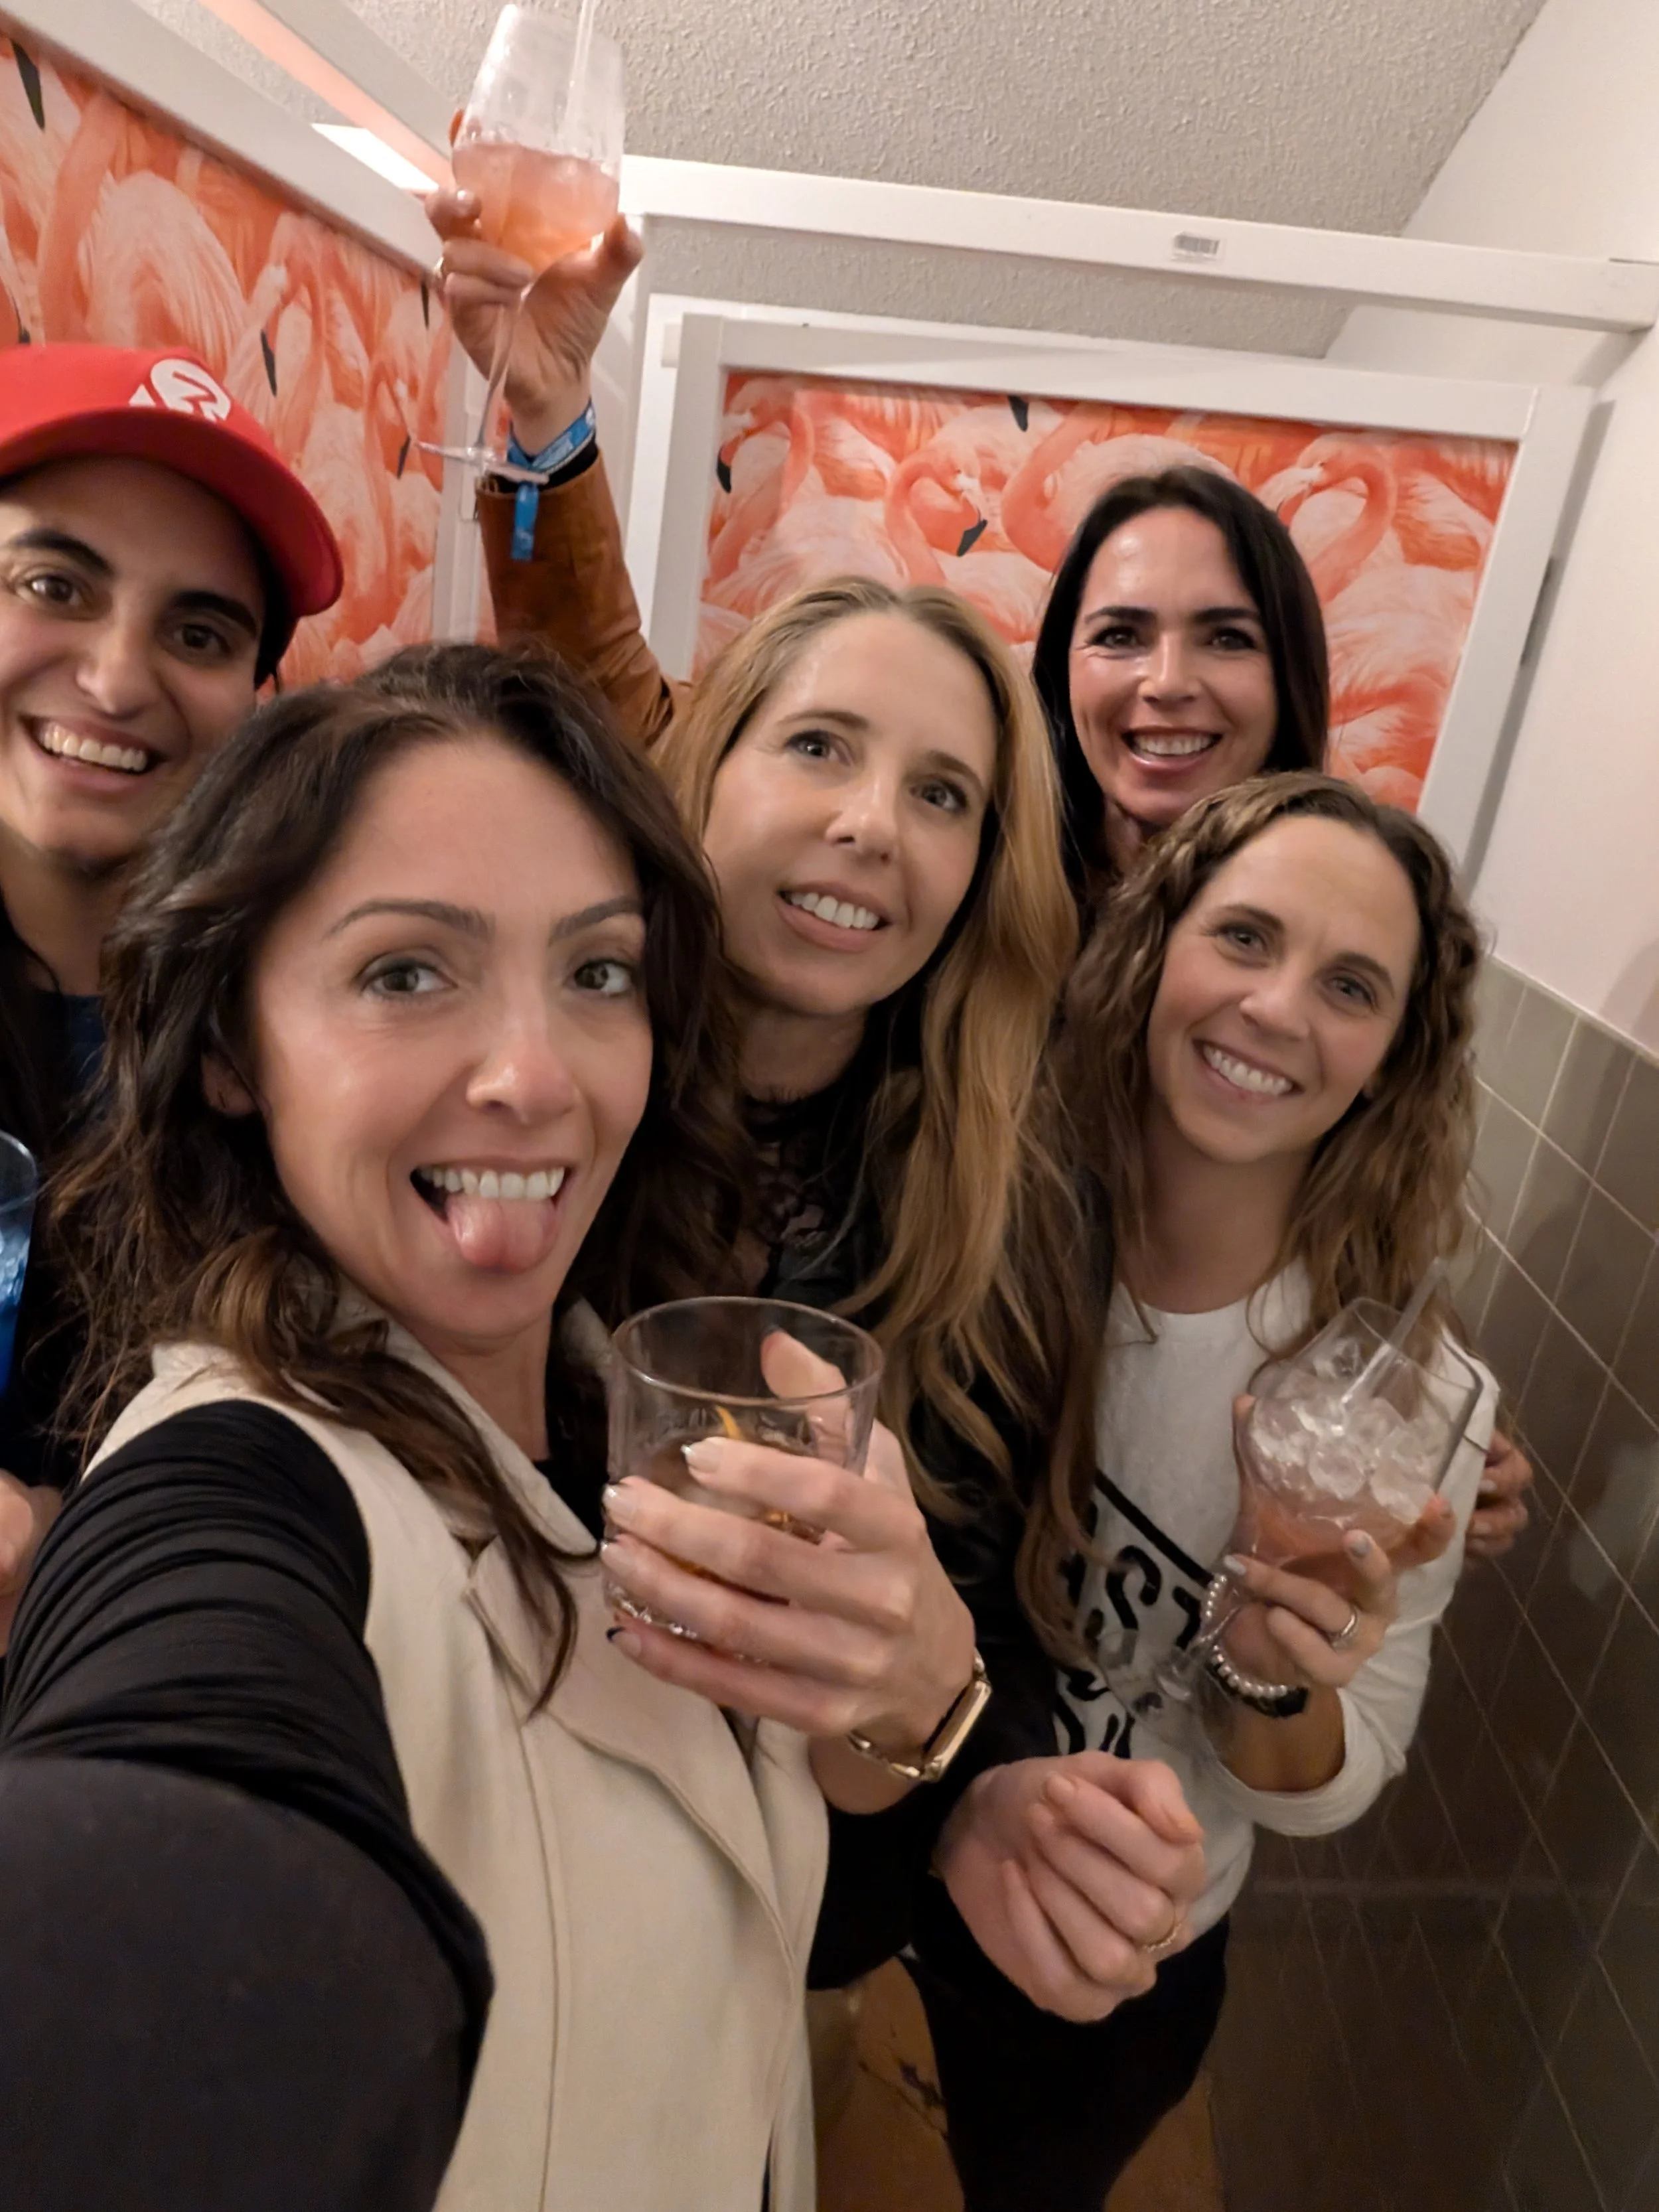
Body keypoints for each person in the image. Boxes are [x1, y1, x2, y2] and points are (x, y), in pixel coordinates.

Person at [2, 643, 861, 2209]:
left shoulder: (641, 1413)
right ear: (227, 1053)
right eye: (405, 973)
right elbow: (169, 1806)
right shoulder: (238, 1482)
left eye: (597, 972)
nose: (536, 1077)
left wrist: (922, 1708)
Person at [917, 773, 1498, 2209]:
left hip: (1123, 1942)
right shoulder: (976, 1219)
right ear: (1155, 945)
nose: (1277, 1009)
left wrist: (1270, 1669)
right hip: (893, 1832)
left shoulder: (1415, 1409)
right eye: (1242, 938)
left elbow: (1324, 1789)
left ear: (1389, 1058)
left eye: (1349, 985)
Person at [0, 340, 342, 1630]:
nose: (117, 677)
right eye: (53, 583)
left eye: (198, 631)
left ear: (254, 702)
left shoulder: (297, 1049)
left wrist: (67, 1532)